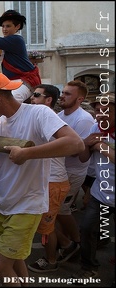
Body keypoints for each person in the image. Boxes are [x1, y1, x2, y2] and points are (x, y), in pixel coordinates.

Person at [0, 72, 84, 285]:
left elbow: (76, 144)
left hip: (27, 205)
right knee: (16, 258)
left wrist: (27, 153)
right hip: (1, 202)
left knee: (0, 265)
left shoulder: (38, 113)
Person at [26, 84, 71, 273]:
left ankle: (51, 260)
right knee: (47, 223)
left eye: (36, 95)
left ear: (48, 100)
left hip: (53, 182)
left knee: (46, 227)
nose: (31, 99)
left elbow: (73, 144)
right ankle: (68, 244)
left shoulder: (49, 120)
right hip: (48, 181)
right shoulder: (44, 118)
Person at [73, 93, 115, 281]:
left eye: (106, 110)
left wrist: (100, 147)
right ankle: (88, 268)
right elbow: (83, 159)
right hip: (101, 192)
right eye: (98, 110)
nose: (100, 114)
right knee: (87, 228)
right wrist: (86, 144)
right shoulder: (94, 128)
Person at [55, 80, 95, 263]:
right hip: (59, 170)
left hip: (72, 172)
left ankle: (77, 244)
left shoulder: (84, 119)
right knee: (56, 210)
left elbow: (77, 151)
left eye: (67, 94)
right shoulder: (60, 114)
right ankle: (65, 242)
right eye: (63, 92)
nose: (62, 96)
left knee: (61, 209)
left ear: (80, 99)